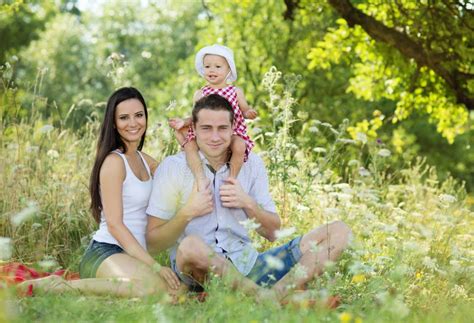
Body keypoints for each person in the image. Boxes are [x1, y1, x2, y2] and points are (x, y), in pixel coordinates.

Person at [146, 94, 352, 304]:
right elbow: (153, 243)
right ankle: (266, 296)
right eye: (206, 128)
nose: (215, 137)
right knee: (189, 246)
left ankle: (276, 293)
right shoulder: (173, 168)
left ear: (234, 126)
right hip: (199, 271)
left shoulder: (251, 163)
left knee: (338, 231)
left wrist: (247, 203)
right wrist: (188, 211)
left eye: (223, 128)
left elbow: (273, 233)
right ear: (195, 129)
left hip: (250, 266)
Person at [18, 87, 180, 299]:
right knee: (149, 290)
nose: (133, 123)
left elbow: (179, 180)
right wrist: (155, 267)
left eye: (139, 115)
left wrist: (184, 139)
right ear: (113, 123)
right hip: (105, 252)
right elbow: (115, 224)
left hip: (132, 256)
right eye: (124, 117)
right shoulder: (114, 162)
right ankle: (56, 285)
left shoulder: (143, 159)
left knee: (174, 291)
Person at [169, 44, 257, 191]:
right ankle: (200, 177)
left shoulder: (235, 91)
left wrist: (249, 113)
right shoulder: (201, 93)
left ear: (228, 70)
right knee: (189, 145)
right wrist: (183, 122)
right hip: (205, 133)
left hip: (231, 132)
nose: (212, 70)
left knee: (240, 145)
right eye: (207, 66)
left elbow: (245, 109)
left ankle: (232, 178)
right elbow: (194, 116)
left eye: (217, 66)